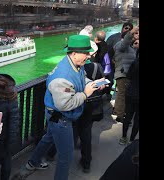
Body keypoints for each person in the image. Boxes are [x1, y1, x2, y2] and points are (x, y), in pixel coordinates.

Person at [25, 35, 105, 180]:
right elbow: (65, 104)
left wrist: (92, 84)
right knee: (66, 157)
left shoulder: (74, 64)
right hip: (61, 119)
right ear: (74, 53)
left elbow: (80, 79)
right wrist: (85, 95)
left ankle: (33, 162)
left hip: (55, 116)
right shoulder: (63, 77)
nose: (88, 55)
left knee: (48, 137)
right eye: (86, 53)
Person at [112, 26, 139, 123]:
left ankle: (120, 112)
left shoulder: (130, 47)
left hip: (127, 74)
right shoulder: (121, 45)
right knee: (122, 95)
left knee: (122, 94)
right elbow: (125, 42)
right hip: (123, 74)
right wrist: (131, 32)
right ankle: (120, 115)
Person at [106, 22, 133, 103]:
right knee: (110, 81)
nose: (127, 30)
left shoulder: (132, 39)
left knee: (120, 86)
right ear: (122, 28)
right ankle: (108, 96)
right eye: (126, 28)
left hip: (123, 67)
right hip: (112, 64)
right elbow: (107, 51)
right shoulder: (113, 37)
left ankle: (115, 100)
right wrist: (111, 61)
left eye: (129, 29)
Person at [119, 48, 139, 145]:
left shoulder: (135, 63)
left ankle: (123, 137)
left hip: (131, 92)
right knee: (137, 119)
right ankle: (132, 139)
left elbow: (129, 76)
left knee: (128, 116)